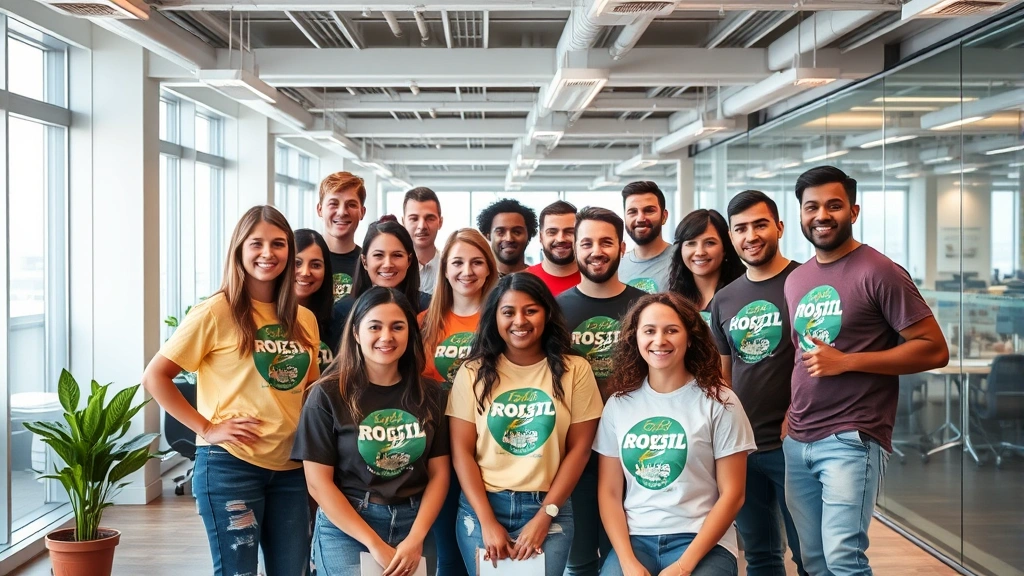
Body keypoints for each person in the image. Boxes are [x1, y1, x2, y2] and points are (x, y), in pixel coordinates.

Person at [783, 166, 948, 575]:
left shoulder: (879, 271)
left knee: (844, 559)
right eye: (812, 207)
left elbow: (934, 349)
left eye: (833, 205)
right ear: (801, 215)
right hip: (798, 438)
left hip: (851, 437)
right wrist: (790, 416)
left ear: (853, 211)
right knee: (814, 560)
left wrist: (848, 362)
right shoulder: (797, 279)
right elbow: (800, 354)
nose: (822, 215)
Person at [142, 205, 320, 576]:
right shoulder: (215, 311)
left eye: (278, 244)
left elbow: (311, 391)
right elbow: (156, 376)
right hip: (230, 465)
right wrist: (206, 429)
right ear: (239, 249)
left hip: (292, 468)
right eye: (256, 243)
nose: (268, 253)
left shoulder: (303, 319)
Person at [446, 273, 603, 574]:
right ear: (495, 317)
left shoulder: (576, 370)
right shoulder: (472, 372)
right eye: (508, 312)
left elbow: (580, 450)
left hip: (549, 506)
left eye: (531, 310)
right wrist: (487, 521)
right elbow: (461, 450)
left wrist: (546, 516)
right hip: (483, 506)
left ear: (546, 313)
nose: (520, 320)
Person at [292, 287, 450, 576]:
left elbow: (440, 473)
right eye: (374, 327)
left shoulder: (431, 394)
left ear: (410, 333)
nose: (386, 337)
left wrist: (416, 539)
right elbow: (318, 483)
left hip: (415, 525)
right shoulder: (327, 394)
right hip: (348, 527)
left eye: (397, 327)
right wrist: (374, 544)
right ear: (355, 333)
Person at [596, 292, 755, 576]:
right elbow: (609, 492)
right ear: (635, 339)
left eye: (671, 330)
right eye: (649, 331)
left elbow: (733, 494)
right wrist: (627, 561)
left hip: (703, 540)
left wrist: (684, 566)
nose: (660, 340)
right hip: (636, 540)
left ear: (690, 337)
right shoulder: (618, 404)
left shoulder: (720, 401)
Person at [707, 191, 806, 576]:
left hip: (795, 444)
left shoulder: (804, 283)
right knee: (761, 557)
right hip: (743, 450)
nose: (751, 235)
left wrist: (796, 417)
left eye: (760, 224)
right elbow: (723, 376)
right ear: (732, 237)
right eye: (741, 228)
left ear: (779, 227)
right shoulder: (725, 299)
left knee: (808, 555)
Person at [557, 207, 646, 576]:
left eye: (606, 242)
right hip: (572, 452)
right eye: (587, 242)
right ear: (575, 249)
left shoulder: (645, 307)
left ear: (622, 247)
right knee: (577, 563)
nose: (597, 250)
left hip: (632, 451)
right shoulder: (556, 311)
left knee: (623, 559)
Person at [418, 228, 498, 576]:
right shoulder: (423, 324)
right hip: (438, 451)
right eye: (458, 263)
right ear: (445, 269)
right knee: (448, 554)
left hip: (490, 449)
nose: (467, 271)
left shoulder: (501, 321)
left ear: (489, 269)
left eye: (477, 262)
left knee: (488, 552)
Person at [332, 217, 430, 333]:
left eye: (397, 255)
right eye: (378, 255)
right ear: (364, 261)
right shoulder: (343, 310)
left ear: (409, 260)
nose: (387, 264)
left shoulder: (427, 307)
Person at [667, 209, 745, 322]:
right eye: (691, 243)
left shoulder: (743, 295)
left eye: (710, 243)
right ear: (680, 250)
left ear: (725, 248)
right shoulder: (672, 301)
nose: (699, 252)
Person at [317, 172, 367, 302]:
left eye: (351, 205)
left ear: (362, 212)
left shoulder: (368, 263)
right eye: (333, 204)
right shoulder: (301, 261)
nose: (342, 212)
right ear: (320, 210)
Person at [618, 181, 673, 294]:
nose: (640, 218)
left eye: (649, 211)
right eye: (632, 212)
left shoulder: (682, 260)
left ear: (664, 216)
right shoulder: (617, 267)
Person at [295, 228, 337, 373]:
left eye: (315, 265)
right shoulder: (265, 319)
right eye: (297, 263)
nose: (305, 272)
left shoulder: (338, 322)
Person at [525, 200, 580, 296]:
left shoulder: (594, 280)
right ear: (541, 237)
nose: (560, 239)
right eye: (552, 232)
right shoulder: (523, 280)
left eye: (569, 231)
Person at [476, 198, 538, 277]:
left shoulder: (540, 280)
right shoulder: (479, 280)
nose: (509, 239)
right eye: (500, 232)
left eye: (517, 232)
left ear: (529, 235)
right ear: (488, 236)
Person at [403, 187, 444, 295]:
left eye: (429, 218)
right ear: (403, 222)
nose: (422, 226)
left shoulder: (450, 267)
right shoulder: (394, 270)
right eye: (414, 219)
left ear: (440, 222)